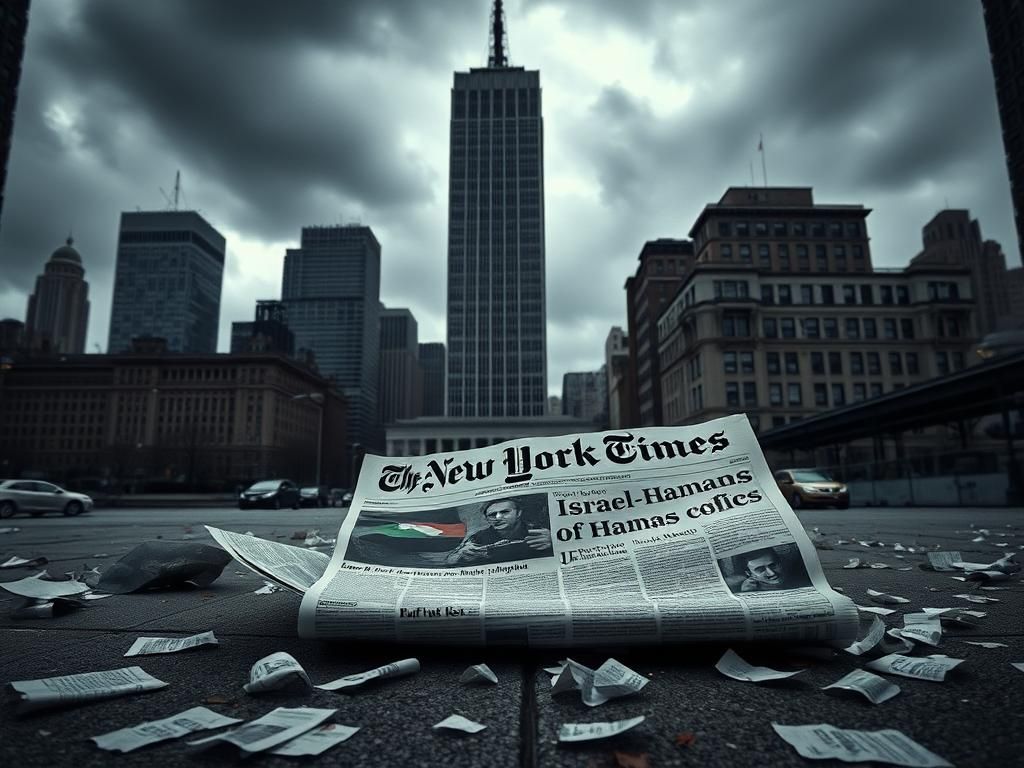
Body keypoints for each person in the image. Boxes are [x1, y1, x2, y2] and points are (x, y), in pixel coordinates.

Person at [445, 497, 552, 565]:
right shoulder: (479, 537)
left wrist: (553, 542)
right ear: (487, 519)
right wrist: (461, 554)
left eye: (505, 512)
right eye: (492, 515)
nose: (498, 517)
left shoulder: (538, 531)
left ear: (518, 513)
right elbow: (449, 560)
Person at [737, 547, 806, 592]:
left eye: (773, 565)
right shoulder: (749, 589)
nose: (772, 573)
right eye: (761, 569)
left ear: (780, 561)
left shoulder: (799, 572)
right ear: (750, 574)